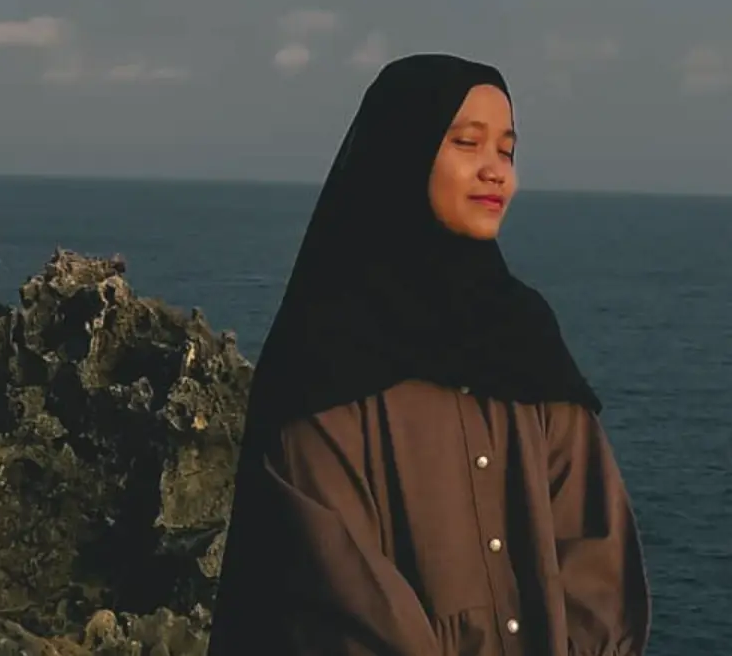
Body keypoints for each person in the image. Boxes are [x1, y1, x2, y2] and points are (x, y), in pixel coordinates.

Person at [207, 53, 651, 656]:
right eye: (468, 143)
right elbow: (340, 595)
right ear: (403, 155)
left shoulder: (526, 337)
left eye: (507, 151)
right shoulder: (327, 352)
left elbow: (597, 553)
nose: (496, 171)